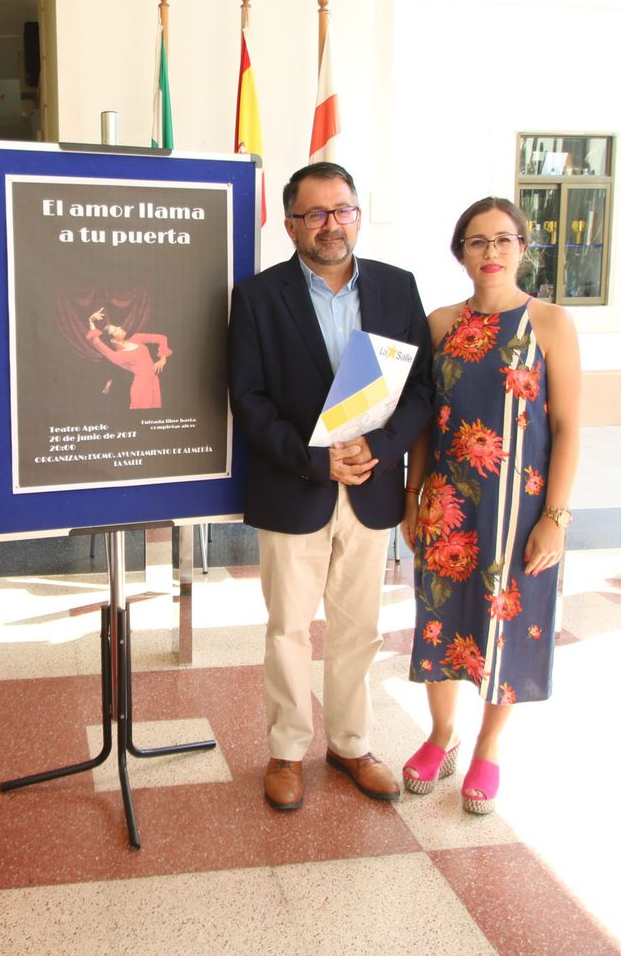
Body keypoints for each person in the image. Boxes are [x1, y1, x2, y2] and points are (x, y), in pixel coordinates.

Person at [227, 162, 433, 811]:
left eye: (341, 210)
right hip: (296, 488)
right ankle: (287, 750)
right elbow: (249, 400)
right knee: (288, 627)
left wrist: (378, 448)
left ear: (358, 215)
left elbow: (423, 390)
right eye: (314, 214)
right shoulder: (257, 297)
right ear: (291, 224)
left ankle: (350, 742)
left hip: (371, 489)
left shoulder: (398, 290)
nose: (330, 224)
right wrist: (316, 462)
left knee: (358, 627)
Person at [399, 196, 579, 815]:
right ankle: (441, 736)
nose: (491, 252)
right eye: (478, 242)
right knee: (441, 622)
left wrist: (554, 519)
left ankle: (488, 748)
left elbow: (570, 429)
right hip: (449, 503)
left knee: (507, 628)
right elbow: (423, 422)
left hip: (520, 511)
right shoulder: (439, 323)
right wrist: (412, 495)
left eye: (503, 240)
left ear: (524, 247)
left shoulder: (551, 323)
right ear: (460, 253)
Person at [85, 306, 171, 409]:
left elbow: (162, 338)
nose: (120, 328)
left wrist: (163, 358)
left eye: (117, 327)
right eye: (116, 330)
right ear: (113, 340)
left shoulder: (136, 338)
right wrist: (90, 321)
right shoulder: (117, 356)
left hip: (154, 382)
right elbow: (96, 341)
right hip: (141, 388)